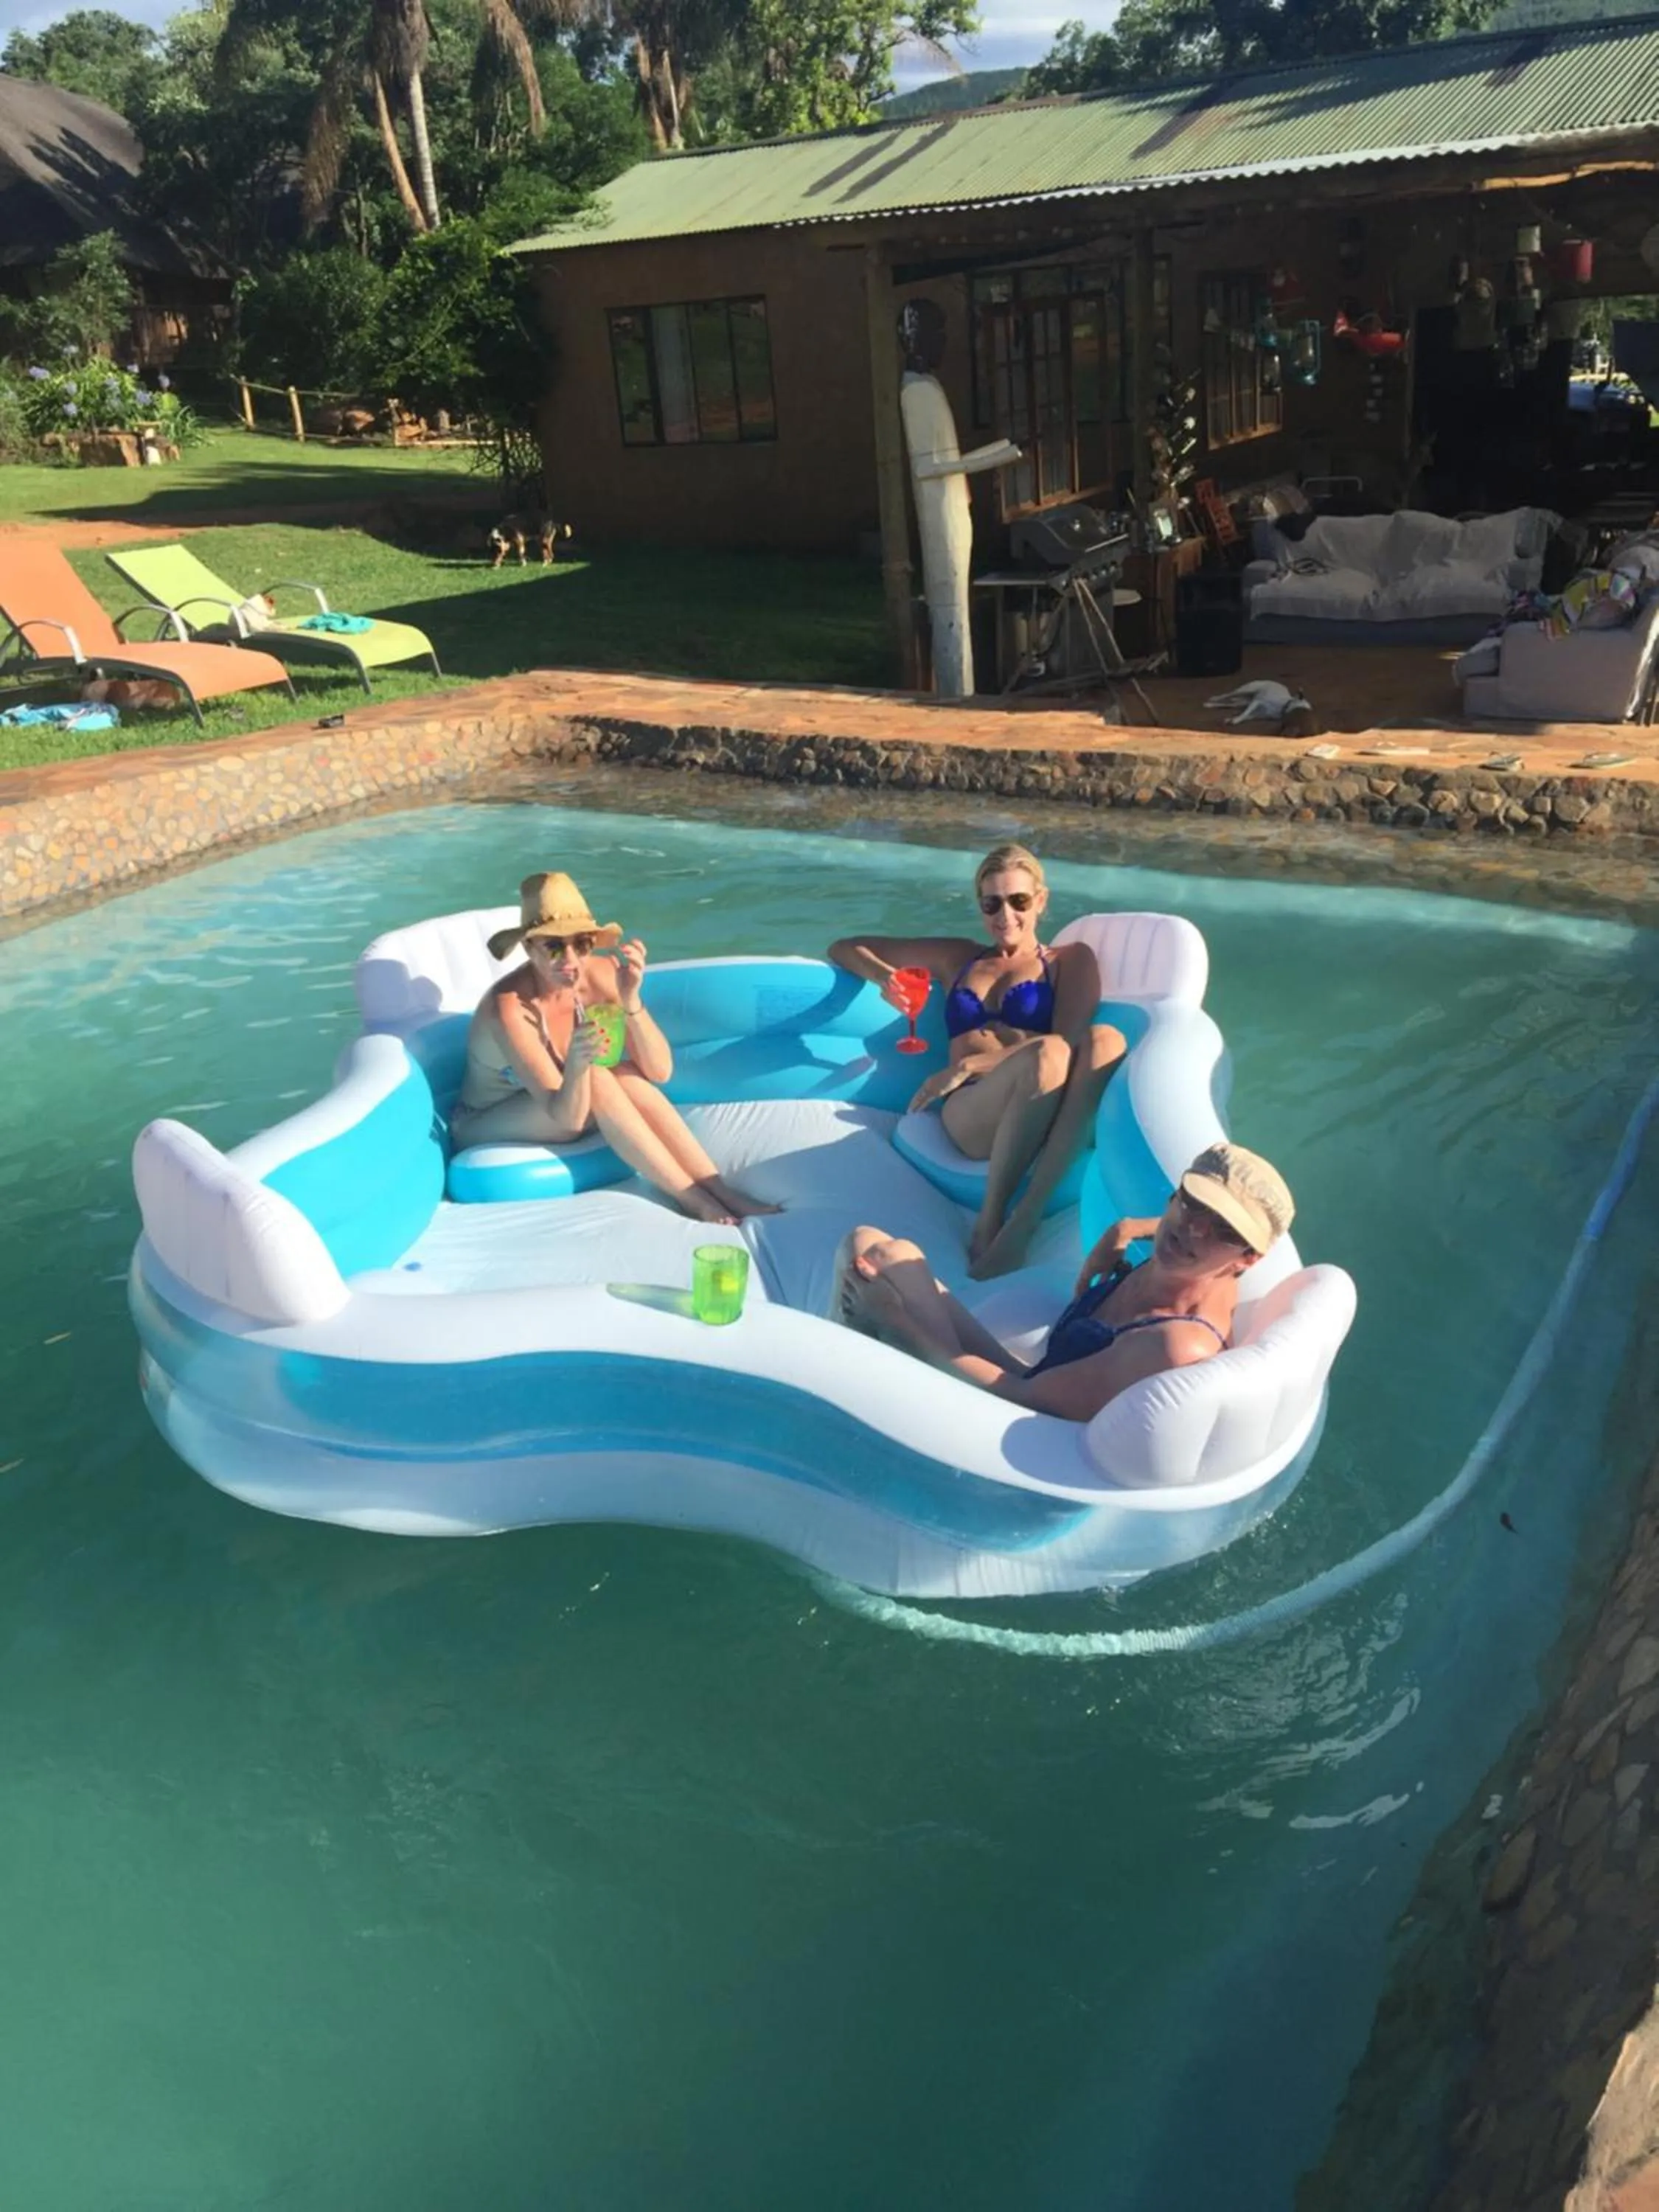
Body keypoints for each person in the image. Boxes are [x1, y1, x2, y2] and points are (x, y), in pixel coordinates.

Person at [827, 842, 1126, 1279]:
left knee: (1087, 1044)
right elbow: (845, 947)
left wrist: (967, 1065)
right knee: (1049, 1052)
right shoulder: (960, 958)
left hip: (1030, 1091)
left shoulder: (1069, 961)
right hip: (971, 1111)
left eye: (1019, 901)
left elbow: (1070, 1037)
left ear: (1041, 901)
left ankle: (1007, 1221)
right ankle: (995, 1223)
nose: (1005, 915)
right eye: (992, 903)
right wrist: (886, 978)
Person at [832, 1142, 1293, 1424]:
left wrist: (891, 1320)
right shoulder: (1201, 1263)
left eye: (1223, 1230)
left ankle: (829, 1394)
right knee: (885, 1250)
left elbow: (1022, 1399)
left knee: (868, 1257)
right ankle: (836, 1372)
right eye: (1193, 1204)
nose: (1193, 1230)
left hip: (1013, 1427)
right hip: (1034, 1381)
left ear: (1247, 1259)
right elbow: (1191, 1227)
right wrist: (1127, 1228)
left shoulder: (1173, 1346)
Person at [451, 871, 779, 1226]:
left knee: (627, 1076)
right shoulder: (511, 1009)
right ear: (530, 949)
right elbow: (569, 1119)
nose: (571, 959)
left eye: (582, 943)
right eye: (555, 946)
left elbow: (659, 1071)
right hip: (487, 1117)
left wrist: (631, 1001)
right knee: (601, 1078)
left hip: (562, 1101)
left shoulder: (601, 974)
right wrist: (578, 1065)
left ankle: (720, 1188)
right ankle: (691, 1199)